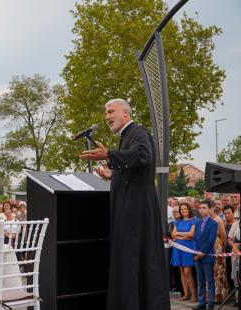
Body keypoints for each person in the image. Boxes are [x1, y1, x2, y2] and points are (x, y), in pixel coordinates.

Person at [80, 98, 169, 310]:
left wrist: (108, 154)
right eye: (105, 113)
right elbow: (134, 168)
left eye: (111, 111)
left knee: (134, 261)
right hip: (130, 209)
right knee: (130, 262)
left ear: (126, 113)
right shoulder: (126, 136)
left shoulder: (137, 132)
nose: (107, 116)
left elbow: (142, 155)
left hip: (136, 211)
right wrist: (114, 174)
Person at [193, 200, 218, 310]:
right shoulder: (197, 222)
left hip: (207, 256)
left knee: (210, 280)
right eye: (200, 208)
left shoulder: (213, 223)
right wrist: (195, 251)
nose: (201, 210)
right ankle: (201, 301)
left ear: (209, 209)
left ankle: (211, 302)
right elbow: (194, 238)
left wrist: (201, 253)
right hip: (196, 255)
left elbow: (210, 241)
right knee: (200, 280)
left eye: (204, 208)